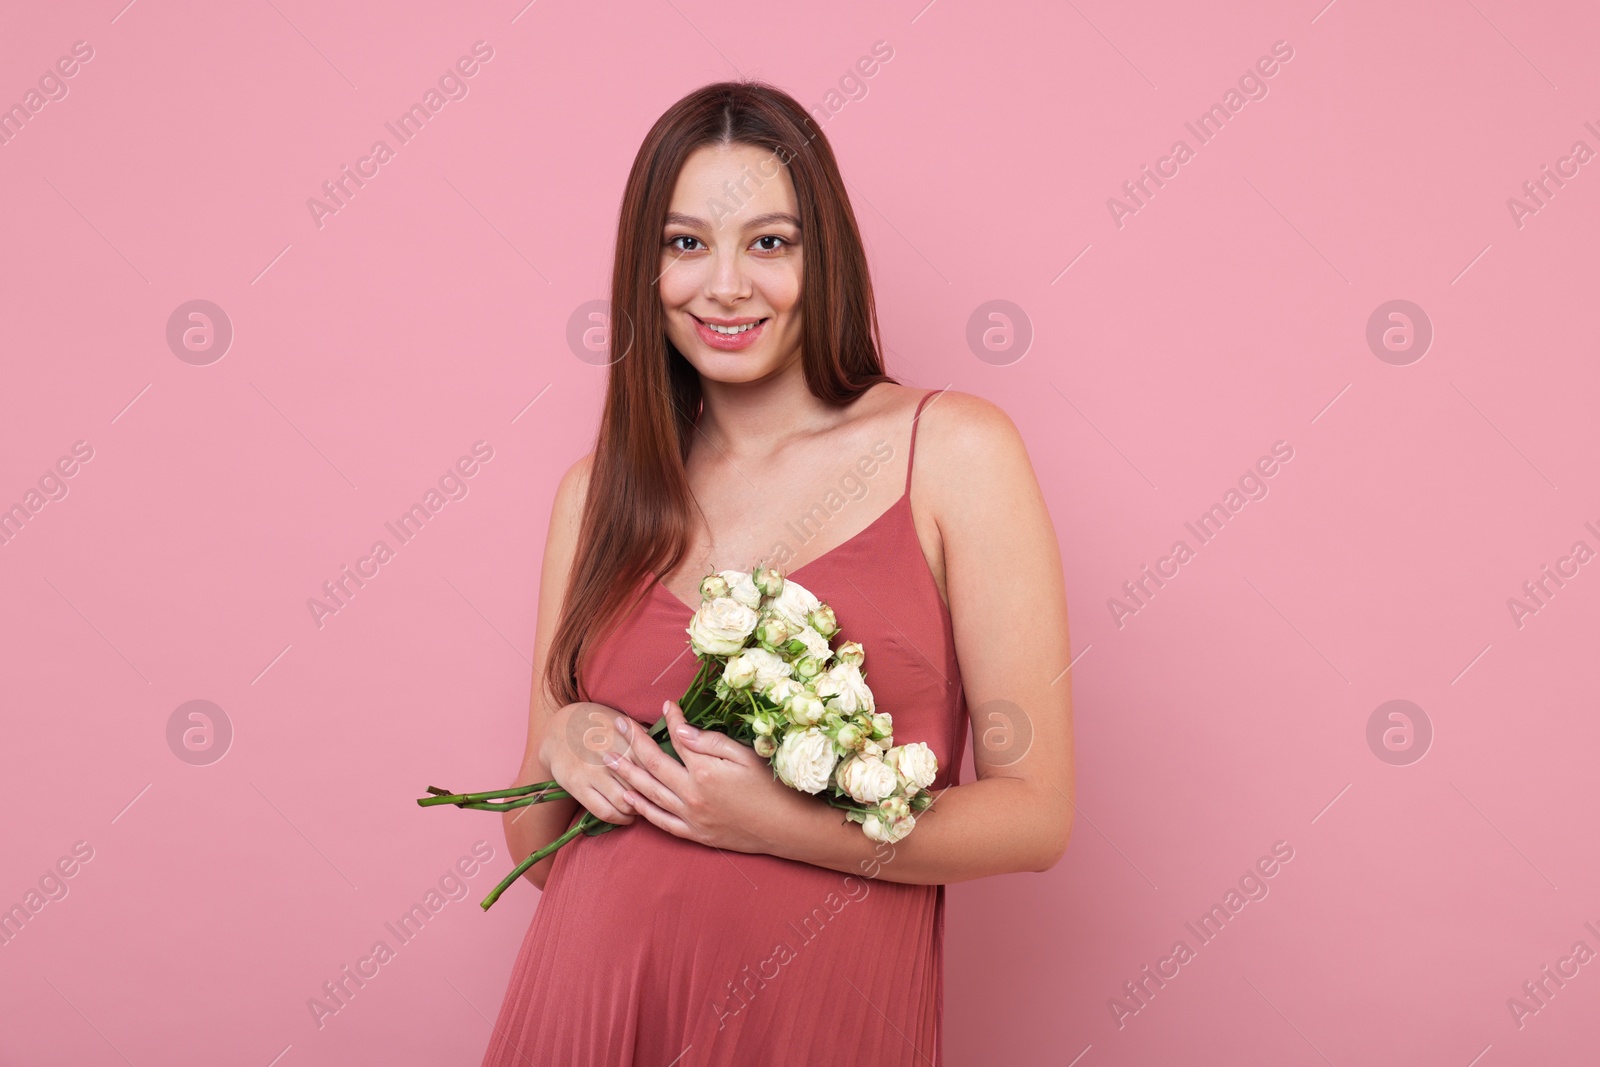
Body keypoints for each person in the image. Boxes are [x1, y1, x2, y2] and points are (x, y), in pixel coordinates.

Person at [481, 79, 1074, 1067]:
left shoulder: (955, 450)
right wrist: (567, 735)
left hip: (821, 1020)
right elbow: (534, 846)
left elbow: (1035, 812)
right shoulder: (596, 495)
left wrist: (773, 823)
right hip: (583, 1012)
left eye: (768, 242)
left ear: (823, 254)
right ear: (644, 270)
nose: (724, 285)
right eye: (684, 244)